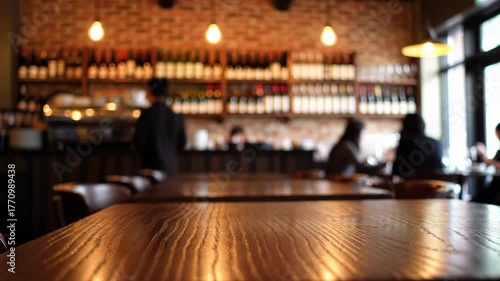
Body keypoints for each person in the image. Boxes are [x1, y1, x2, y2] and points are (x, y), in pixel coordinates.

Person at [134, 78, 186, 175]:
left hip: (150, 170)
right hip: (170, 169)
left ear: (150, 92)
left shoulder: (146, 114)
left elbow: (139, 142)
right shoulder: (175, 116)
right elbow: (182, 144)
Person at [392, 113, 444, 178]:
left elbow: (396, 172)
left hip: (413, 187)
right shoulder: (437, 143)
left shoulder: (406, 143)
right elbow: (440, 169)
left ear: (405, 126)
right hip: (437, 186)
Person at [474, 123, 500, 205]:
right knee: (478, 199)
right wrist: (483, 155)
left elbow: (494, 163)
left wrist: (486, 157)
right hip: (495, 183)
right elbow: (489, 163)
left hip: (497, 186)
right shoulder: (499, 151)